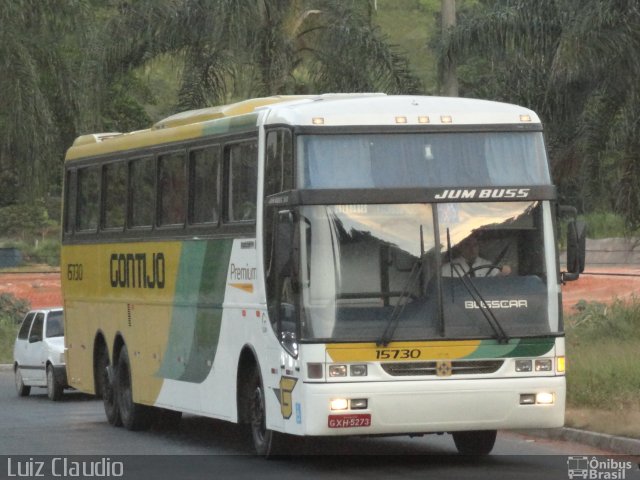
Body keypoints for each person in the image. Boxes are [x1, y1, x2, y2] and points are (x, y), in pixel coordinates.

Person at [442, 235, 511, 277]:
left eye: (475, 245)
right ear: (460, 247)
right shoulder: (448, 268)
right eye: (467, 245)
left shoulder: (488, 266)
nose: (472, 249)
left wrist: (504, 272)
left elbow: (498, 279)